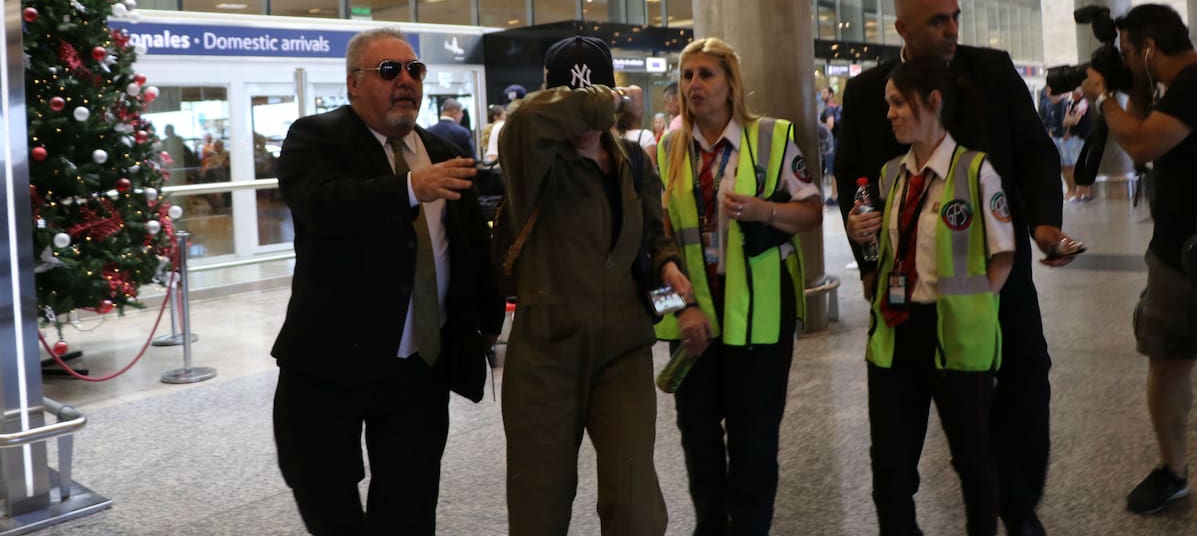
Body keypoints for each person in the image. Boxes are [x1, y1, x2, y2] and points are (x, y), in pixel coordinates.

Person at [835, 0, 1079, 536]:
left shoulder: (991, 70)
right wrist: (871, 257)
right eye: (937, 21)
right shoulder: (871, 91)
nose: (952, 30)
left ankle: (1016, 508)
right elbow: (855, 178)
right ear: (902, 29)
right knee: (914, 420)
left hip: (994, 273)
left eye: (954, 17)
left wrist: (1044, 222)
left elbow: (1035, 152)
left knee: (1024, 378)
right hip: (910, 289)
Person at [271, 27, 504, 535]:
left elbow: (468, 247)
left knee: (410, 504)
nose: (405, 81)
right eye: (388, 71)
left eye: (414, 70)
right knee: (326, 494)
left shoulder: (441, 150)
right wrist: (408, 188)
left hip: (418, 367)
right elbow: (323, 206)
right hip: (331, 364)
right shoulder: (316, 138)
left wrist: (486, 319)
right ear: (354, 83)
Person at [499, 36, 682, 536]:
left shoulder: (633, 160)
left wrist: (669, 278)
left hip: (623, 349)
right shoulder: (529, 159)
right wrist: (603, 100)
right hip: (546, 355)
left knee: (637, 508)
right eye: (571, 103)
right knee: (540, 506)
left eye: (594, 101)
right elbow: (523, 120)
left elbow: (652, 240)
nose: (584, 122)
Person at [656, 37, 823, 535]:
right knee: (700, 453)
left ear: (731, 85)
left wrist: (763, 211)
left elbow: (812, 211)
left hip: (761, 324)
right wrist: (676, 308)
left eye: (706, 74)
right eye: (687, 76)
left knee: (754, 453)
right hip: (693, 328)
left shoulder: (770, 138)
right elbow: (653, 246)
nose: (694, 86)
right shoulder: (668, 148)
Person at [847, 56, 1014, 536]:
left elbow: (1003, 254)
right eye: (889, 104)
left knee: (972, 458)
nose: (891, 113)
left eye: (899, 103)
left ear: (933, 102)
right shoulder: (891, 174)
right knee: (890, 465)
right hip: (896, 332)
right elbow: (892, 250)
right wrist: (865, 236)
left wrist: (977, 307)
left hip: (957, 338)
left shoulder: (976, 172)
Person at [1079, 3, 1197, 515]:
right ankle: (1172, 470)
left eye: (1129, 53)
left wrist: (1103, 95)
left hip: (1191, 254)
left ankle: (1173, 470)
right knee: (1168, 361)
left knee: (1170, 363)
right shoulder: (1174, 89)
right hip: (1176, 257)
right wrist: (1131, 87)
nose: (1126, 62)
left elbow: (1142, 143)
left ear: (1150, 48)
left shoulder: (1195, 85)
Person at [1060, 88, 1092, 202]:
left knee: (1080, 166)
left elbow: (1075, 121)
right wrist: (1069, 123)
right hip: (1073, 138)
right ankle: (1079, 192)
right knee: (1074, 166)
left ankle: (1084, 193)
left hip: (1081, 138)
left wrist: (1070, 119)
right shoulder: (1071, 103)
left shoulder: (1084, 102)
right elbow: (1065, 121)